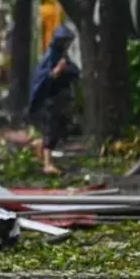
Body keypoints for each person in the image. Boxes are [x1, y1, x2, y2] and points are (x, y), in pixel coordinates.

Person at [27, 25, 80, 176]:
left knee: (57, 130)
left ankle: (39, 147)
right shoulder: (51, 56)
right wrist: (57, 72)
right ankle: (47, 163)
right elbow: (44, 79)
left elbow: (73, 71)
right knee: (51, 130)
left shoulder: (62, 56)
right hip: (49, 100)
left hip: (59, 100)